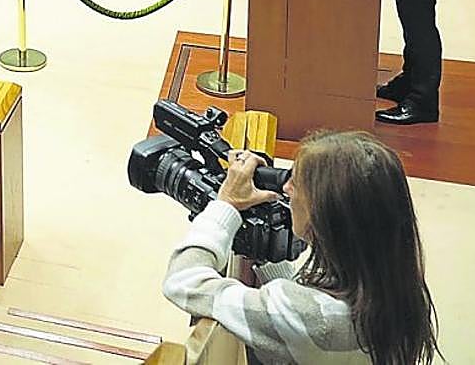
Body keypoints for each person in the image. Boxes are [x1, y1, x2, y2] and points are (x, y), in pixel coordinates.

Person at [163, 131, 441, 365]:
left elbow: (184, 283)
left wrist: (226, 205)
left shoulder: (308, 317)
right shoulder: (397, 290)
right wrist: (266, 252)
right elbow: (310, 318)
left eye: (298, 184)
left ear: (327, 217)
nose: (287, 190)